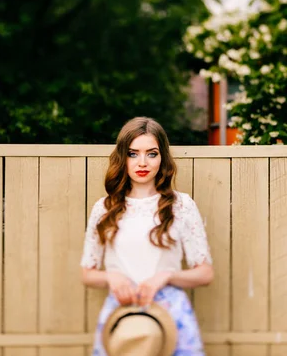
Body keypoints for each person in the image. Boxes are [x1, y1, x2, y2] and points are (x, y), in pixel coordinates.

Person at [80, 116, 214, 355]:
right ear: (123, 157)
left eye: (151, 153)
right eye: (133, 154)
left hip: (171, 313)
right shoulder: (105, 208)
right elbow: (87, 274)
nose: (142, 162)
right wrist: (112, 278)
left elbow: (205, 273)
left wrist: (166, 276)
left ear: (162, 157)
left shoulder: (181, 205)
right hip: (122, 316)